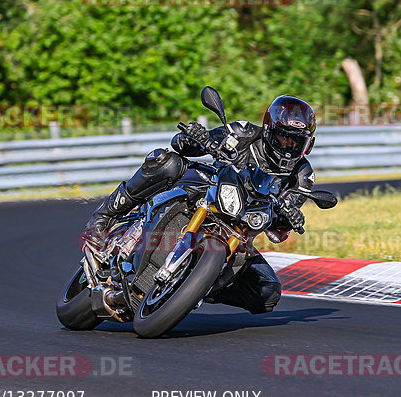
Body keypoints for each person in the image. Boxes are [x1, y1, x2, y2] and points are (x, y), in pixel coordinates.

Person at [81, 95, 317, 314]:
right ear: (268, 131)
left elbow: (280, 227)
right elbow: (182, 145)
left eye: (296, 142)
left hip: (241, 230)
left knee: (268, 292)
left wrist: (289, 218)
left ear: (308, 144)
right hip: (211, 191)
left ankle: (195, 286)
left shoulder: (303, 175)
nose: (287, 146)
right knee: (167, 162)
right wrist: (195, 137)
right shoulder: (244, 132)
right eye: (283, 137)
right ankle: (104, 216)